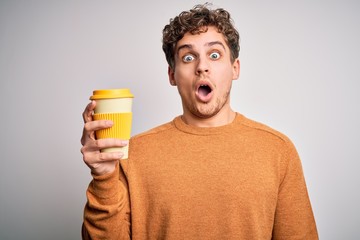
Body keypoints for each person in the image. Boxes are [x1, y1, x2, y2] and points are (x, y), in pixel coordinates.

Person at [80, 3, 318, 239]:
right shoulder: (134, 153)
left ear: (234, 68)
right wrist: (103, 176)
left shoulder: (278, 150)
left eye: (214, 55)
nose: (202, 67)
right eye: (188, 57)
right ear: (172, 75)